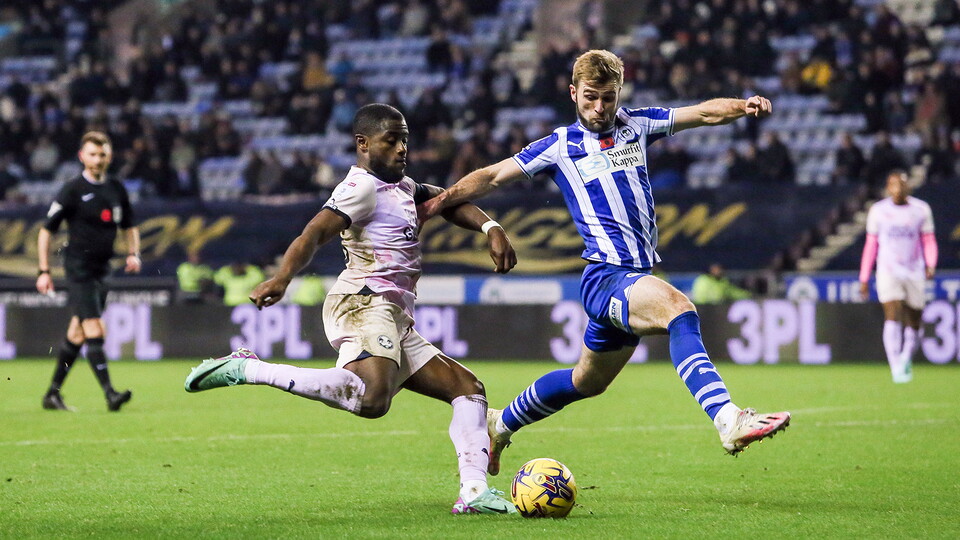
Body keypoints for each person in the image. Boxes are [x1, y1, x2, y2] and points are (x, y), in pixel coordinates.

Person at [421, 50, 791, 474]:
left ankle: (498, 425)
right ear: (574, 93)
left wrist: (743, 106)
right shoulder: (560, 145)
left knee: (586, 381)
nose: (600, 108)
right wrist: (439, 203)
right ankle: (729, 420)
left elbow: (704, 114)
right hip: (606, 277)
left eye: (609, 98)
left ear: (619, 95)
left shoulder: (637, 125)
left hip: (634, 277)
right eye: (591, 98)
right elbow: (491, 176)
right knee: (680, 311)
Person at [184, 104, 519, 514]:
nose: (401, 149)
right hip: (362, 302)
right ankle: (249, 368)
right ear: (363, 144)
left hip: (394, 314)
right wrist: (281, 278)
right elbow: (315, 231)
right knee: (374, 400)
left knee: (469, 390)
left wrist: (491, 227)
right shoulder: (359, 188)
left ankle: (472, 493)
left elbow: (447, 200)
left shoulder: (404, 187)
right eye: (391, 140)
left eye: (405, 140)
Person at [36, 131, 139, 412]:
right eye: (92, 154)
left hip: (103, 269)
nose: (98, 159)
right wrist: (43, 270)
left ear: (110, 156)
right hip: (78, 268)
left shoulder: (116, 188)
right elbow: (46, 232)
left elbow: (130, 225)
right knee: (94, 328)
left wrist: (133, 253)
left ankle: (52, 395)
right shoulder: (72, 190)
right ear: (82, 156)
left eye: (102, 154)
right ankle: (110, 394)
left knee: (77, 333)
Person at [859, 171, 937, 383]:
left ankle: (905, 358)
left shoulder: (921, 209)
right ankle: (895, 366)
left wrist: (931, 263)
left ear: (908, 187)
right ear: (888, 187)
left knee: (914, 320)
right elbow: (871, 245)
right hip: (888, 270)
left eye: (902, 184)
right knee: (892, 314)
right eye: (894, 185)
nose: (898, 189)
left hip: (914, 270)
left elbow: (929, 240)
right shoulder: (878, 210)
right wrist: (864, 276)